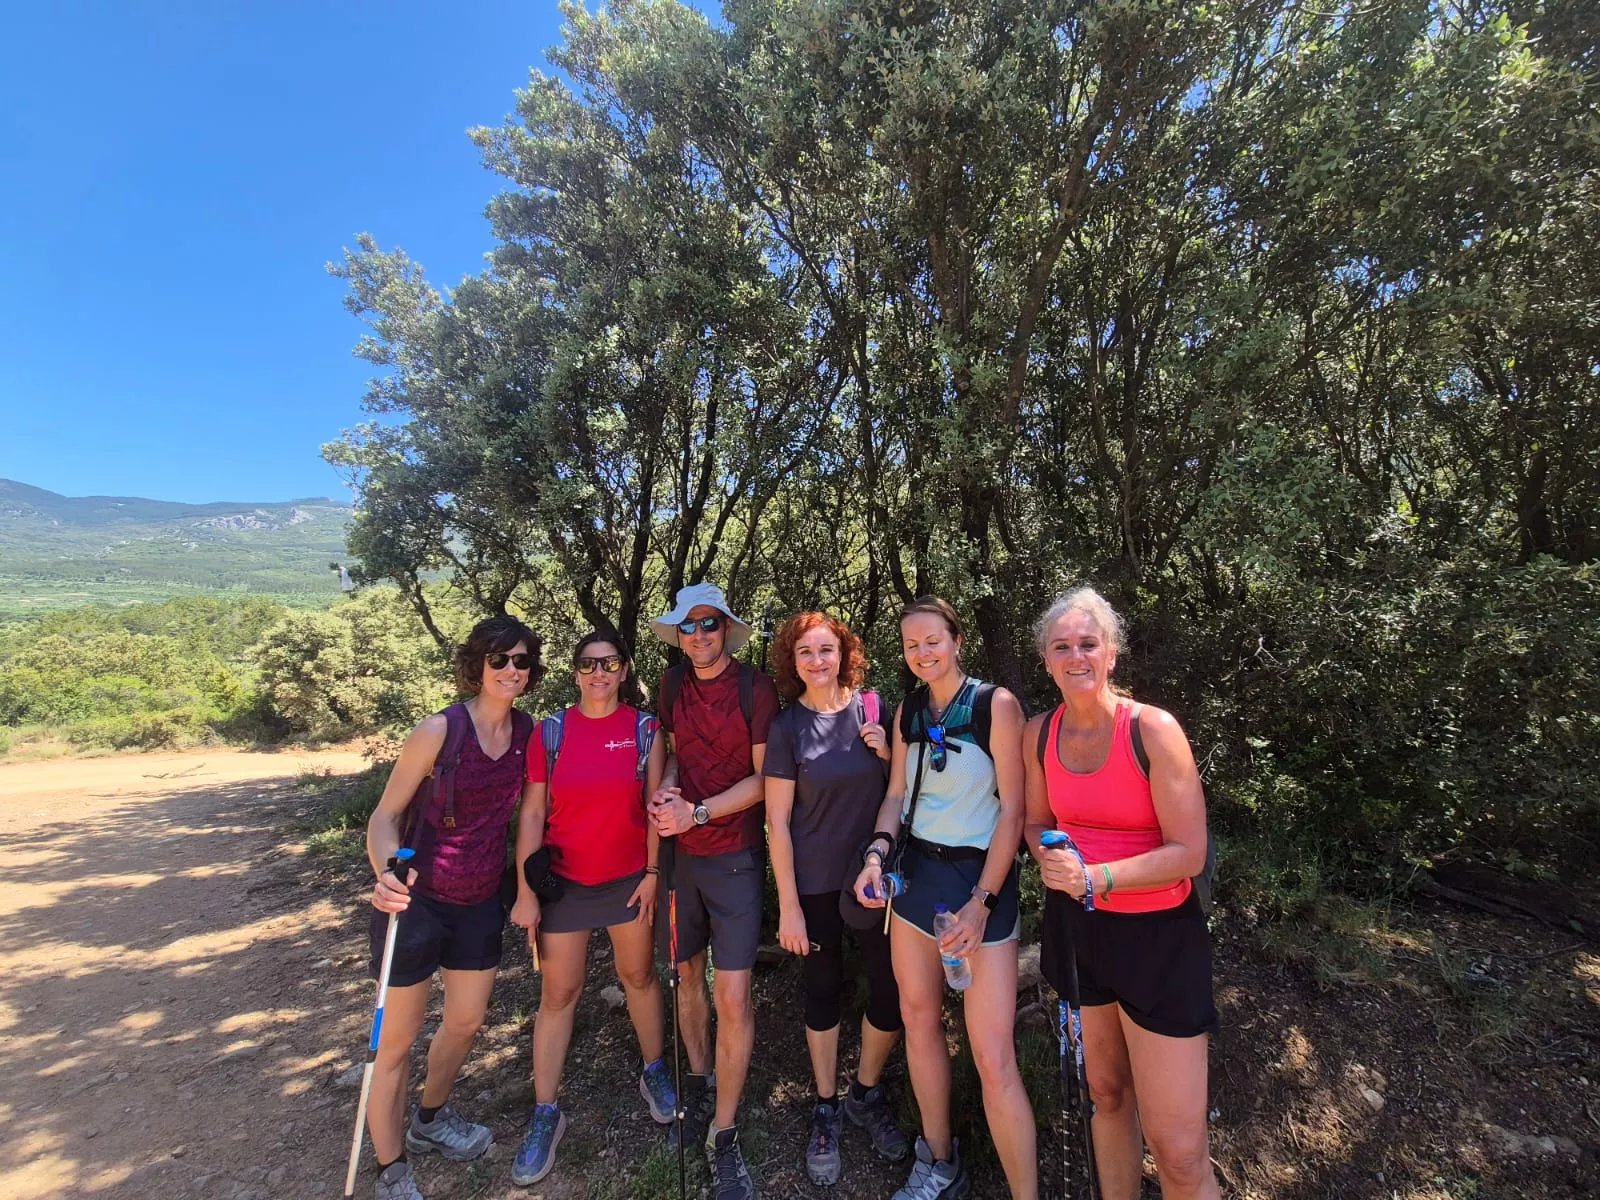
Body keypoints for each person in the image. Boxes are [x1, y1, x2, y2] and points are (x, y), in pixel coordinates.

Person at [1023, 587, 1220, 1200]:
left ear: (1111, 654)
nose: (1075, 656)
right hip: (1079, 935)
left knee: (1179, 1149)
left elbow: (1189, 852)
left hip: (1159, 939)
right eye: (1062, 647)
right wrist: (1051, 858)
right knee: (1104, 1097)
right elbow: (1033, 822)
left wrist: (1097, 878)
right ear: (1047, 660)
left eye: (1088, 644)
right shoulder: (1038, 734)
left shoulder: (1153, 730)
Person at [853, 596, 1038, 1200]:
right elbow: (895, 795)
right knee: (918, 1019)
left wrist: (981, 904)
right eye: (912, 644)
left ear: (957, 640)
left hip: (978, 887)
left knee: (991, 1053)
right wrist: (876, 854)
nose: (923, 652)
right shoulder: (908, 709)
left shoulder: (995, 706)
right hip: (916, 884)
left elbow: (1014, 810)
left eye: (933, 639)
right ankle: (939, 1160)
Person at [362, 615, 542, 1200]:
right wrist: (385, 871)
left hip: (480, 900)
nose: (511, 670)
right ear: (477, 665)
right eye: (499, 660)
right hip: (415, 902)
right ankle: (391, 1170)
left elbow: (531, 818)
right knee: (398, 1041)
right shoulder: (438, 731)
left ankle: (431, 1119)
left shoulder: (527, 733)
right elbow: (385, 817)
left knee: (465, 1021)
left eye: (521, 661)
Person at [507, 632, 674, 1185]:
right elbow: (532, 816)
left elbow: (655, 808)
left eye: (609, 663)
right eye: (587, 663)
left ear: (623, 669)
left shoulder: (645, 729)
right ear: (575, 671)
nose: (598, 672)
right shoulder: (549, 732)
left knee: (639, 977)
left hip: (628, 880)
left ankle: (654, 1071)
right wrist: (526, 892)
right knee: (559, 994)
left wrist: (652, 875)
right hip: (564, 885)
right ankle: (545, 1112)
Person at [763, 611, 910, 1186]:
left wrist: (882, 752)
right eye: (805, 653)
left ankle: (864, 1092)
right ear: (791, 662)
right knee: (822, 989)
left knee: (892, 990)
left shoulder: (874, 709)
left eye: (827, 650)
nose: (817, 661)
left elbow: (901, 791)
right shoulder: (786, 727)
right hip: (817, 882)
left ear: (845, 653)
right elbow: (777, 821)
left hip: (875, 877)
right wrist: (790, 906)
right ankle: (825, 1103)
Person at [646, 582, 779, 1200]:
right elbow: (673, 756)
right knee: (686, 976)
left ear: (726, 628)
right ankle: (701, 1085)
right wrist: (669, 791)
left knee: (733, 993)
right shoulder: (672, 685)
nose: (699, 635)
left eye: (709, 624)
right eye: (689, 627)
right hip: (682, 862)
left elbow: (762, 781)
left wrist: (696, 814)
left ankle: (724, 1133)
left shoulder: (756, 688)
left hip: (735, 860)